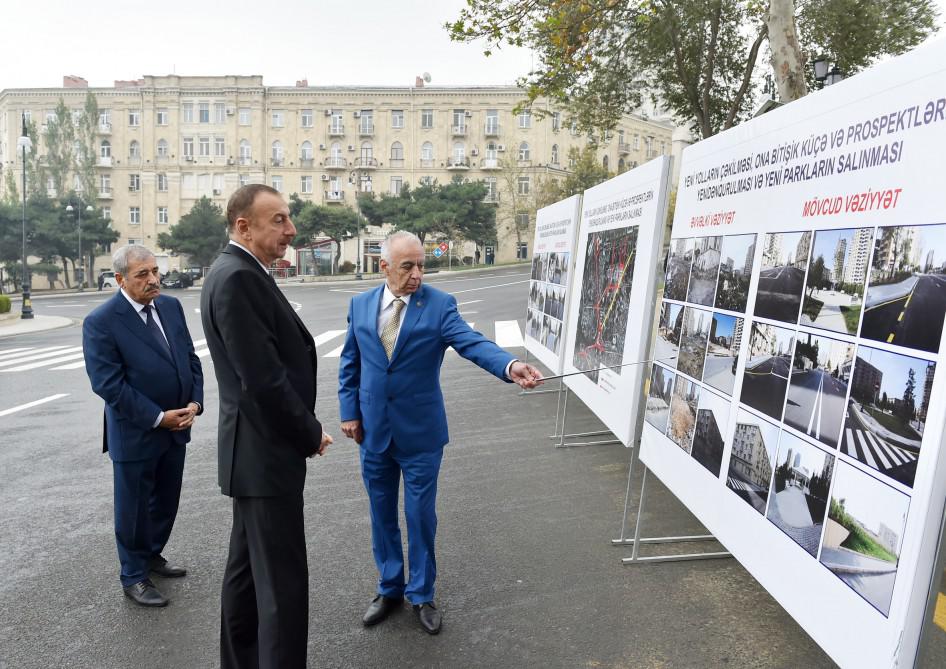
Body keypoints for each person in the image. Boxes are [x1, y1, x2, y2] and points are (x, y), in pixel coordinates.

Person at [338, 230, 542, 635]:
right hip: (374, 432)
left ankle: (421, 593)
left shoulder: (439, 305)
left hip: (421, 435)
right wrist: (350, 413)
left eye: (421, 265)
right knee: (381, 516)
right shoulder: (360, 305)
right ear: (384, 267)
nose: (417, 274)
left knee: (420, 516)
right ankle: (389, 588)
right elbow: (351, 363)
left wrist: (508, 366)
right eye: (407, 266)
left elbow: (470, 342)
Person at [200, 184, 333, 669]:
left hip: (253, 457)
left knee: (247, 579)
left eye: (288, 218)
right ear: (243, 226)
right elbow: (262, 381)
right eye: (278, 220)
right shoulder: (237, 277)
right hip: (265, 454)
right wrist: (309, 431)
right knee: (281, 586)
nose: (291, 229)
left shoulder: (238, 271)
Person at [82, 244, 204, 607]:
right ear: (120, 279)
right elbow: (108, 384)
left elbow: (190, 358)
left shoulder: (170, 306)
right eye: (142, 275)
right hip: (136, 432)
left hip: (178, 424)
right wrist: (156, 417)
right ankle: (133, 575)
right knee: (133, 508)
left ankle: (152, 555)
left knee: (166, 501)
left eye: (155, 271)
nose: (153, 280)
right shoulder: (101, 322)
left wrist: (194, 403)